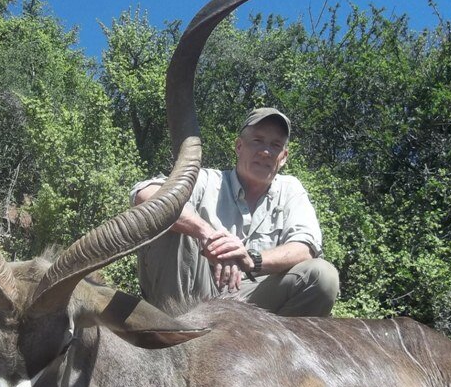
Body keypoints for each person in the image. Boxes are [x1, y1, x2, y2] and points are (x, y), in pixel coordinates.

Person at [132, 107, 339, 317]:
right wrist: (208, 235)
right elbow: (145, 194)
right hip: (192, 293)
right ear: (239, 146)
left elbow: (305, 248)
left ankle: (268, 347)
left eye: (275, 145)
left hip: (256, 300)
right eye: (257, 141)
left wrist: (251, 260)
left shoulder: (291, 189)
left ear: (283, 157)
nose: (266, 151)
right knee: (169, 215)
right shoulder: (207, 180)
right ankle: (171, 331)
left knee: (323, 276)